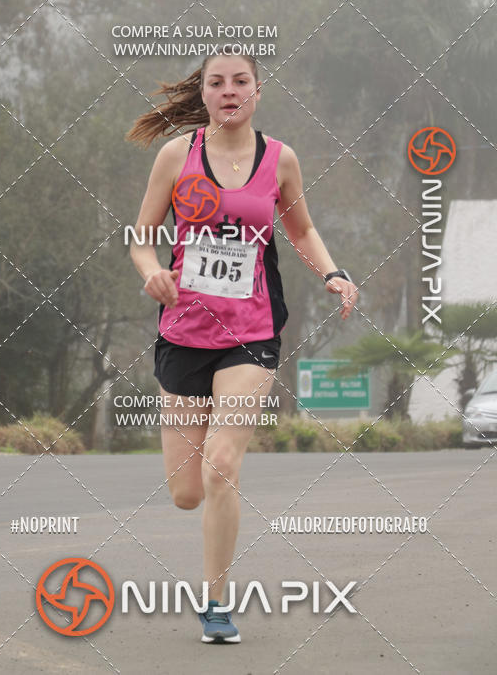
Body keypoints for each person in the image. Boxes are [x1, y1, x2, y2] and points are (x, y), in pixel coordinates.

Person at [127, 46, 358, 644]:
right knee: (186, 492)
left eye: (241, 82)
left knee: (223, 467)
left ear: (257, 91)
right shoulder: (178, 155)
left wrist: (331, 272)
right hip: (183, 334)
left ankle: (216, 604)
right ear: (202, 93)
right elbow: (142, 236)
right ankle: (205, 551)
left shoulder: (280, 161)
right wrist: (151, 269)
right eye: (217, 83)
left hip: (251, 334)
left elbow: (301, 227)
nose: (229, 91)